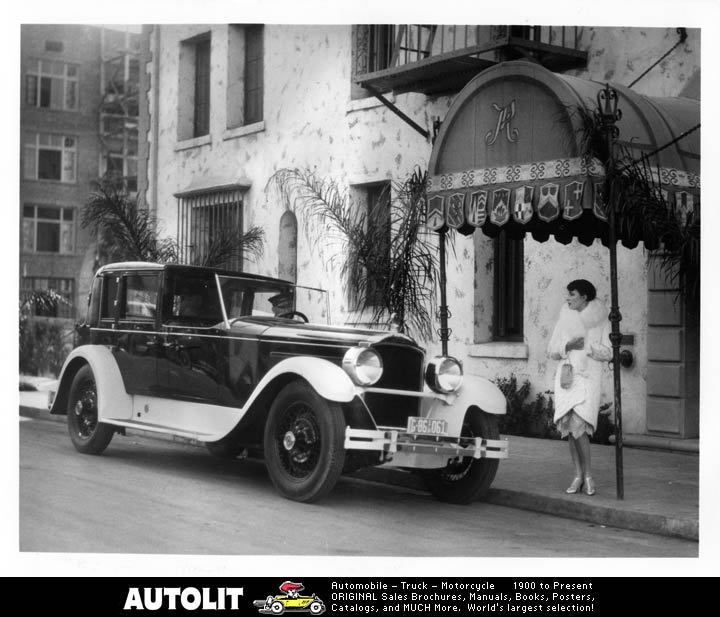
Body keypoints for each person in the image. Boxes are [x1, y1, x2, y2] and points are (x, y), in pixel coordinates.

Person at [547, 279, 611, 496]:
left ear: (584, 296)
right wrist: (568, 346)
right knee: (570, 429)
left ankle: (588, 475)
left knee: (579, 428)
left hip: (588, 380)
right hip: (567, 379)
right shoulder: (565, 318)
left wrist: (588, 347)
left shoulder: (601, 320)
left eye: (572, 294)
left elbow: (608, 352)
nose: (568, 298)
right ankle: (577, 475)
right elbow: (552, 350)